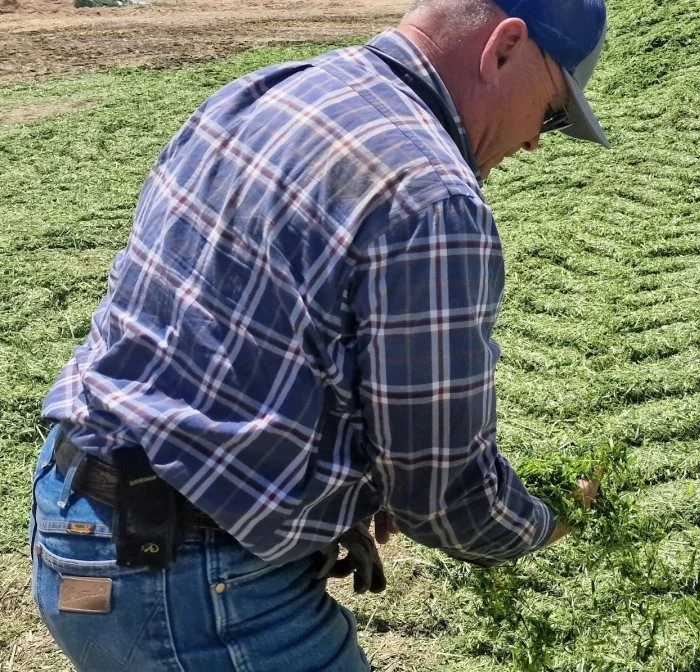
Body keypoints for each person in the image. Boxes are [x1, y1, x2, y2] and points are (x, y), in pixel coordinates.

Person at [29, 0, 608, 669]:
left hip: (77, 512)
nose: (538, 139)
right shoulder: (432, 195)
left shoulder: (274, 90)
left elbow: (237, 336)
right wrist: (552, 519)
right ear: (503, 47)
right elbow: (447, 496)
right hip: (190, 579)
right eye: (553, 111)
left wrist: (354, 484)